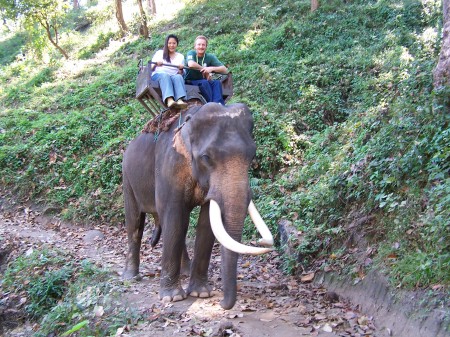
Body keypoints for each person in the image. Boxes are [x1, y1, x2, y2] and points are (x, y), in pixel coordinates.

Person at [184, 35, 228, 105]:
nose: (201, 47)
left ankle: (218, 104)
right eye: (199, 44)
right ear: (195, 46)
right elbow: (191, 64)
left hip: (204, 80)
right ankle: (210, 104)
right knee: (204, 82)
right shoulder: (191, 53)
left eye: (203, 45)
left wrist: (211, 69)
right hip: (190, 80)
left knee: (216, 83)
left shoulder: (209, 57)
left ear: (206, 47)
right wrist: (204, 69)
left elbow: (225, 70)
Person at [151, 34, 188, 109]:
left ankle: (179, 99)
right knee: (165, 75)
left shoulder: (180, 56)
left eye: (174, 43)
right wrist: (156, 64)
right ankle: (169, 99)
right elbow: (151, 68)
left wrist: (181, 69)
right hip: (159, 75)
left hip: (173, 76)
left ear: (177, 44)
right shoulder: (160, 53)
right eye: (169, 43)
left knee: (178, 77)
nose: (172, 45)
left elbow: (180, 73)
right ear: (166, 44)